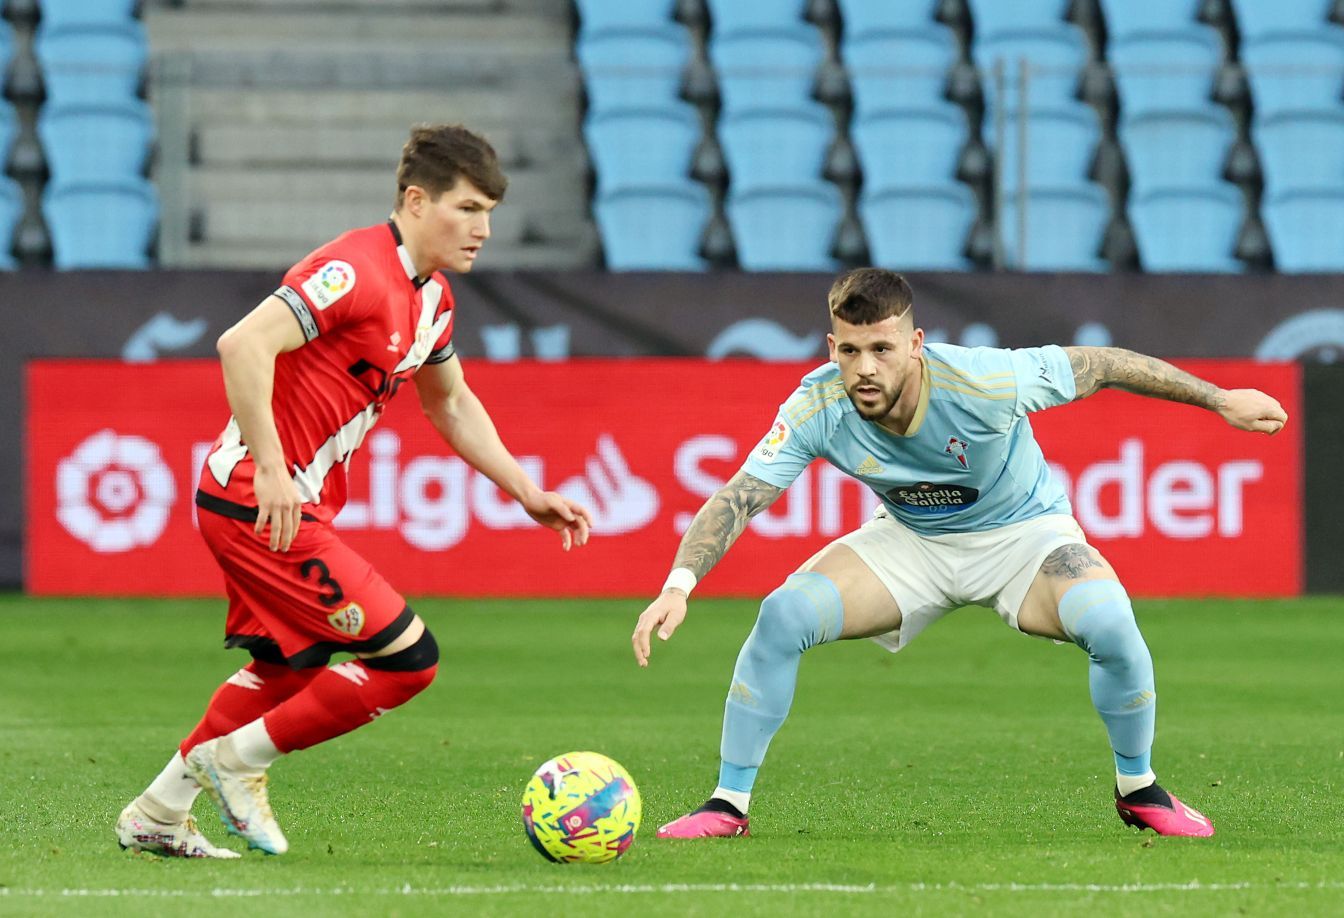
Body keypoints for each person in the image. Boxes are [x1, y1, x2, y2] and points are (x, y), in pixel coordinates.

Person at [632, 268, 1287, 840]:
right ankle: (728, 803)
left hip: (1024, 538)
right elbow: (739, 497)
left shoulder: (986, 382)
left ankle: (1138, 787)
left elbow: (1105, 365)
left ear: (914, 345)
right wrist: (678, 584)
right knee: (781, 616)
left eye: (882, 349)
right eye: (851, 350)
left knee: (1112, 625)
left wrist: (1219, 398)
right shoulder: (818, 404)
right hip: (912, 543)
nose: (865, 368)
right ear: (832, 346)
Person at [115, 124, 592, 858]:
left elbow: (451, 403)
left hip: (272, 500)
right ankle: (239, 762)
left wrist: (525, 489)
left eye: (489, 212)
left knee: (288, 666)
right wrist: (272, 466)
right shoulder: (355, 268)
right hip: (258, 496)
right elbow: (243, 344)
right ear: (415, 199)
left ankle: (159, 811)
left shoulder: (431, 300)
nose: (484, 230)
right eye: (467, 209)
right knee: (409, 659)